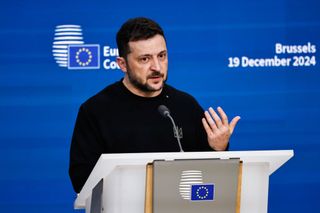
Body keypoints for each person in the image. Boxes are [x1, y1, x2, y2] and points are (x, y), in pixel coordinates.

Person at [69, 17, 240, 193]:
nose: (157, 67)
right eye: (145, 59)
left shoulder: (185, 105)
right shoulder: (95, 111)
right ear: (122, 64)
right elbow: (82, 180)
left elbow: (209, 180)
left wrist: (218, 148)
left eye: (162, 56)